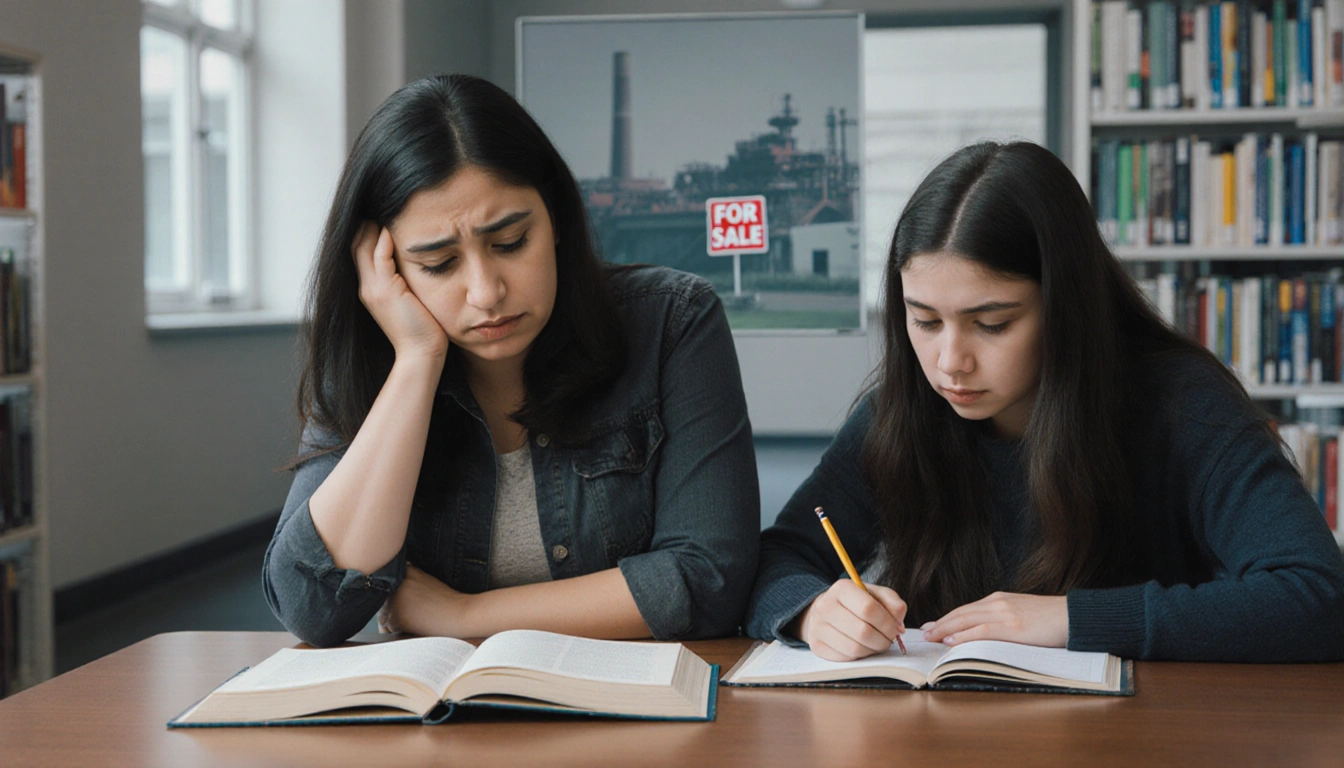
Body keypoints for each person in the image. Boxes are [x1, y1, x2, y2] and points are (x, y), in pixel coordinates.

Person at [746, 141, 1344, 663]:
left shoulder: (1182, 404)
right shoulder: (900, 412)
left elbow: (1317, 595)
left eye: (992, 323)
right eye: (924, 321)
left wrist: (1070, 620)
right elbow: (778, 561)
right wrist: (812, 612)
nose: (951, 360)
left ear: (1066, 306)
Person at [264, 74, 759, 648]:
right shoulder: (373, 357)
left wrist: (464, 616)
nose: (486, 292)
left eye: (510, 243)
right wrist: (417, 361)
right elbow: (313, 608)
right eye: (439, 264)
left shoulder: (672, 322)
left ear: (555, 221)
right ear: (386, 267)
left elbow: (708, 580)